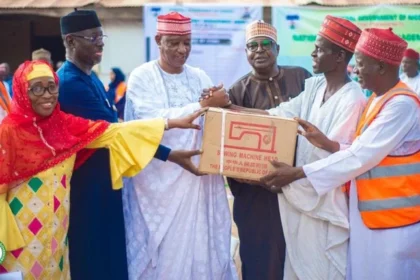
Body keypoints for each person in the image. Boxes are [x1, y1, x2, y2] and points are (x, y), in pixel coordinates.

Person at [0, 60, 206, 278]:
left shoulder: (62, 125)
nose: (47, 94)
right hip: (19, 236)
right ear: (23, 92)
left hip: (56, 234)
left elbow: (114, 132)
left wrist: (170, 123)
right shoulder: (8, 132)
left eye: (52, 86)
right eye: (37, 88)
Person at [260, 28, 420, 280]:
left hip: (395, 224)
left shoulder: (402, 105)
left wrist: (296, 174)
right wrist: (330, 144)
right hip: (369, 217)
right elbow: (364, 152)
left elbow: (360, 156)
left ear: (380, 67)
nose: (354, 70)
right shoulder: (379, 99)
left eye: (360, 64)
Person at [216, 17, 365, 280]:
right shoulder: (315, 86)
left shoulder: (347, 97)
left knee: (322, 266)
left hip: (320, 198)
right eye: (253, 46)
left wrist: (291, 179)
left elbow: (340, 159)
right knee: (276, 263)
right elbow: (278, 114)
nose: (312, 53)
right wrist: (226, 107)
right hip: (280, 195)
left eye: (318, 49)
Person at [56, 9, 193, 280]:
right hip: (86, 187)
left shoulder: (89, 76)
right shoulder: (70, 83)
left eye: (101, 36)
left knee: (110, 256)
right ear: (71, 41)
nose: (101, 42)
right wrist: (171, 152)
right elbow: (115, 132)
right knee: (93, 257)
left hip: (105, 182)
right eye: (92, 37)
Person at [123, 12, 236, 279]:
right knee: (163, 254)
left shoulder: (199, 76)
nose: (182, 49)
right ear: (158, 40)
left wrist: (221, 102)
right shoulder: (142, 76)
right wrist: (203, 106)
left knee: (201, 248)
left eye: (186, 42)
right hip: (157, 186)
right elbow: (147, 123)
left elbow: (215, 121)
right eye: (173, 42)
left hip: (199, 182)